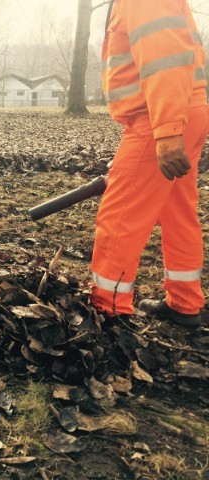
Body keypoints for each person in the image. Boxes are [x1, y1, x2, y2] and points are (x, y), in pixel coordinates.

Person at [91, 0, 208, 327]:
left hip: (160, 117)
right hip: (184, 112)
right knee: (177, 209)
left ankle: (108, 309)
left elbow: (165, 58)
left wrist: (168, 131)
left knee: (120, 214)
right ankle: (185, 303)